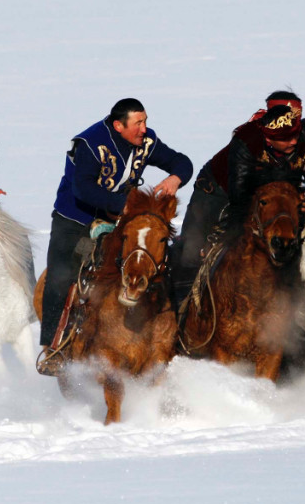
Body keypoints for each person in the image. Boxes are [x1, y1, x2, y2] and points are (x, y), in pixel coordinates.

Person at [170, 91, 305, 308]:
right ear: (268, 138)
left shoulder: (303, 132)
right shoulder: (247, 142)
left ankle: (288, 314)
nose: (294, 141)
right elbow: (241, 196)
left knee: (289, 241)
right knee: (193, 250)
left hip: (271, 192)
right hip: (218, 190)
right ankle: (181, 313)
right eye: (286, 138)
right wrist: (291, 196)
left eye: (295, 135)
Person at [39, 98, 193, 374]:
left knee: (157, 261)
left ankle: (174, 338)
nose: (144, 128)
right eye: (138, 123)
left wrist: (175, 178)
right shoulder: (89, 143)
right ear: (118, 125)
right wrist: (119, 205)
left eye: (145, 121)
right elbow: (82, 189)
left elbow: (181, 161)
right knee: (61, 275)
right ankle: (54, 347)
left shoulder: (146, 141)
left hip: (121, 220)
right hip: (76, 219)